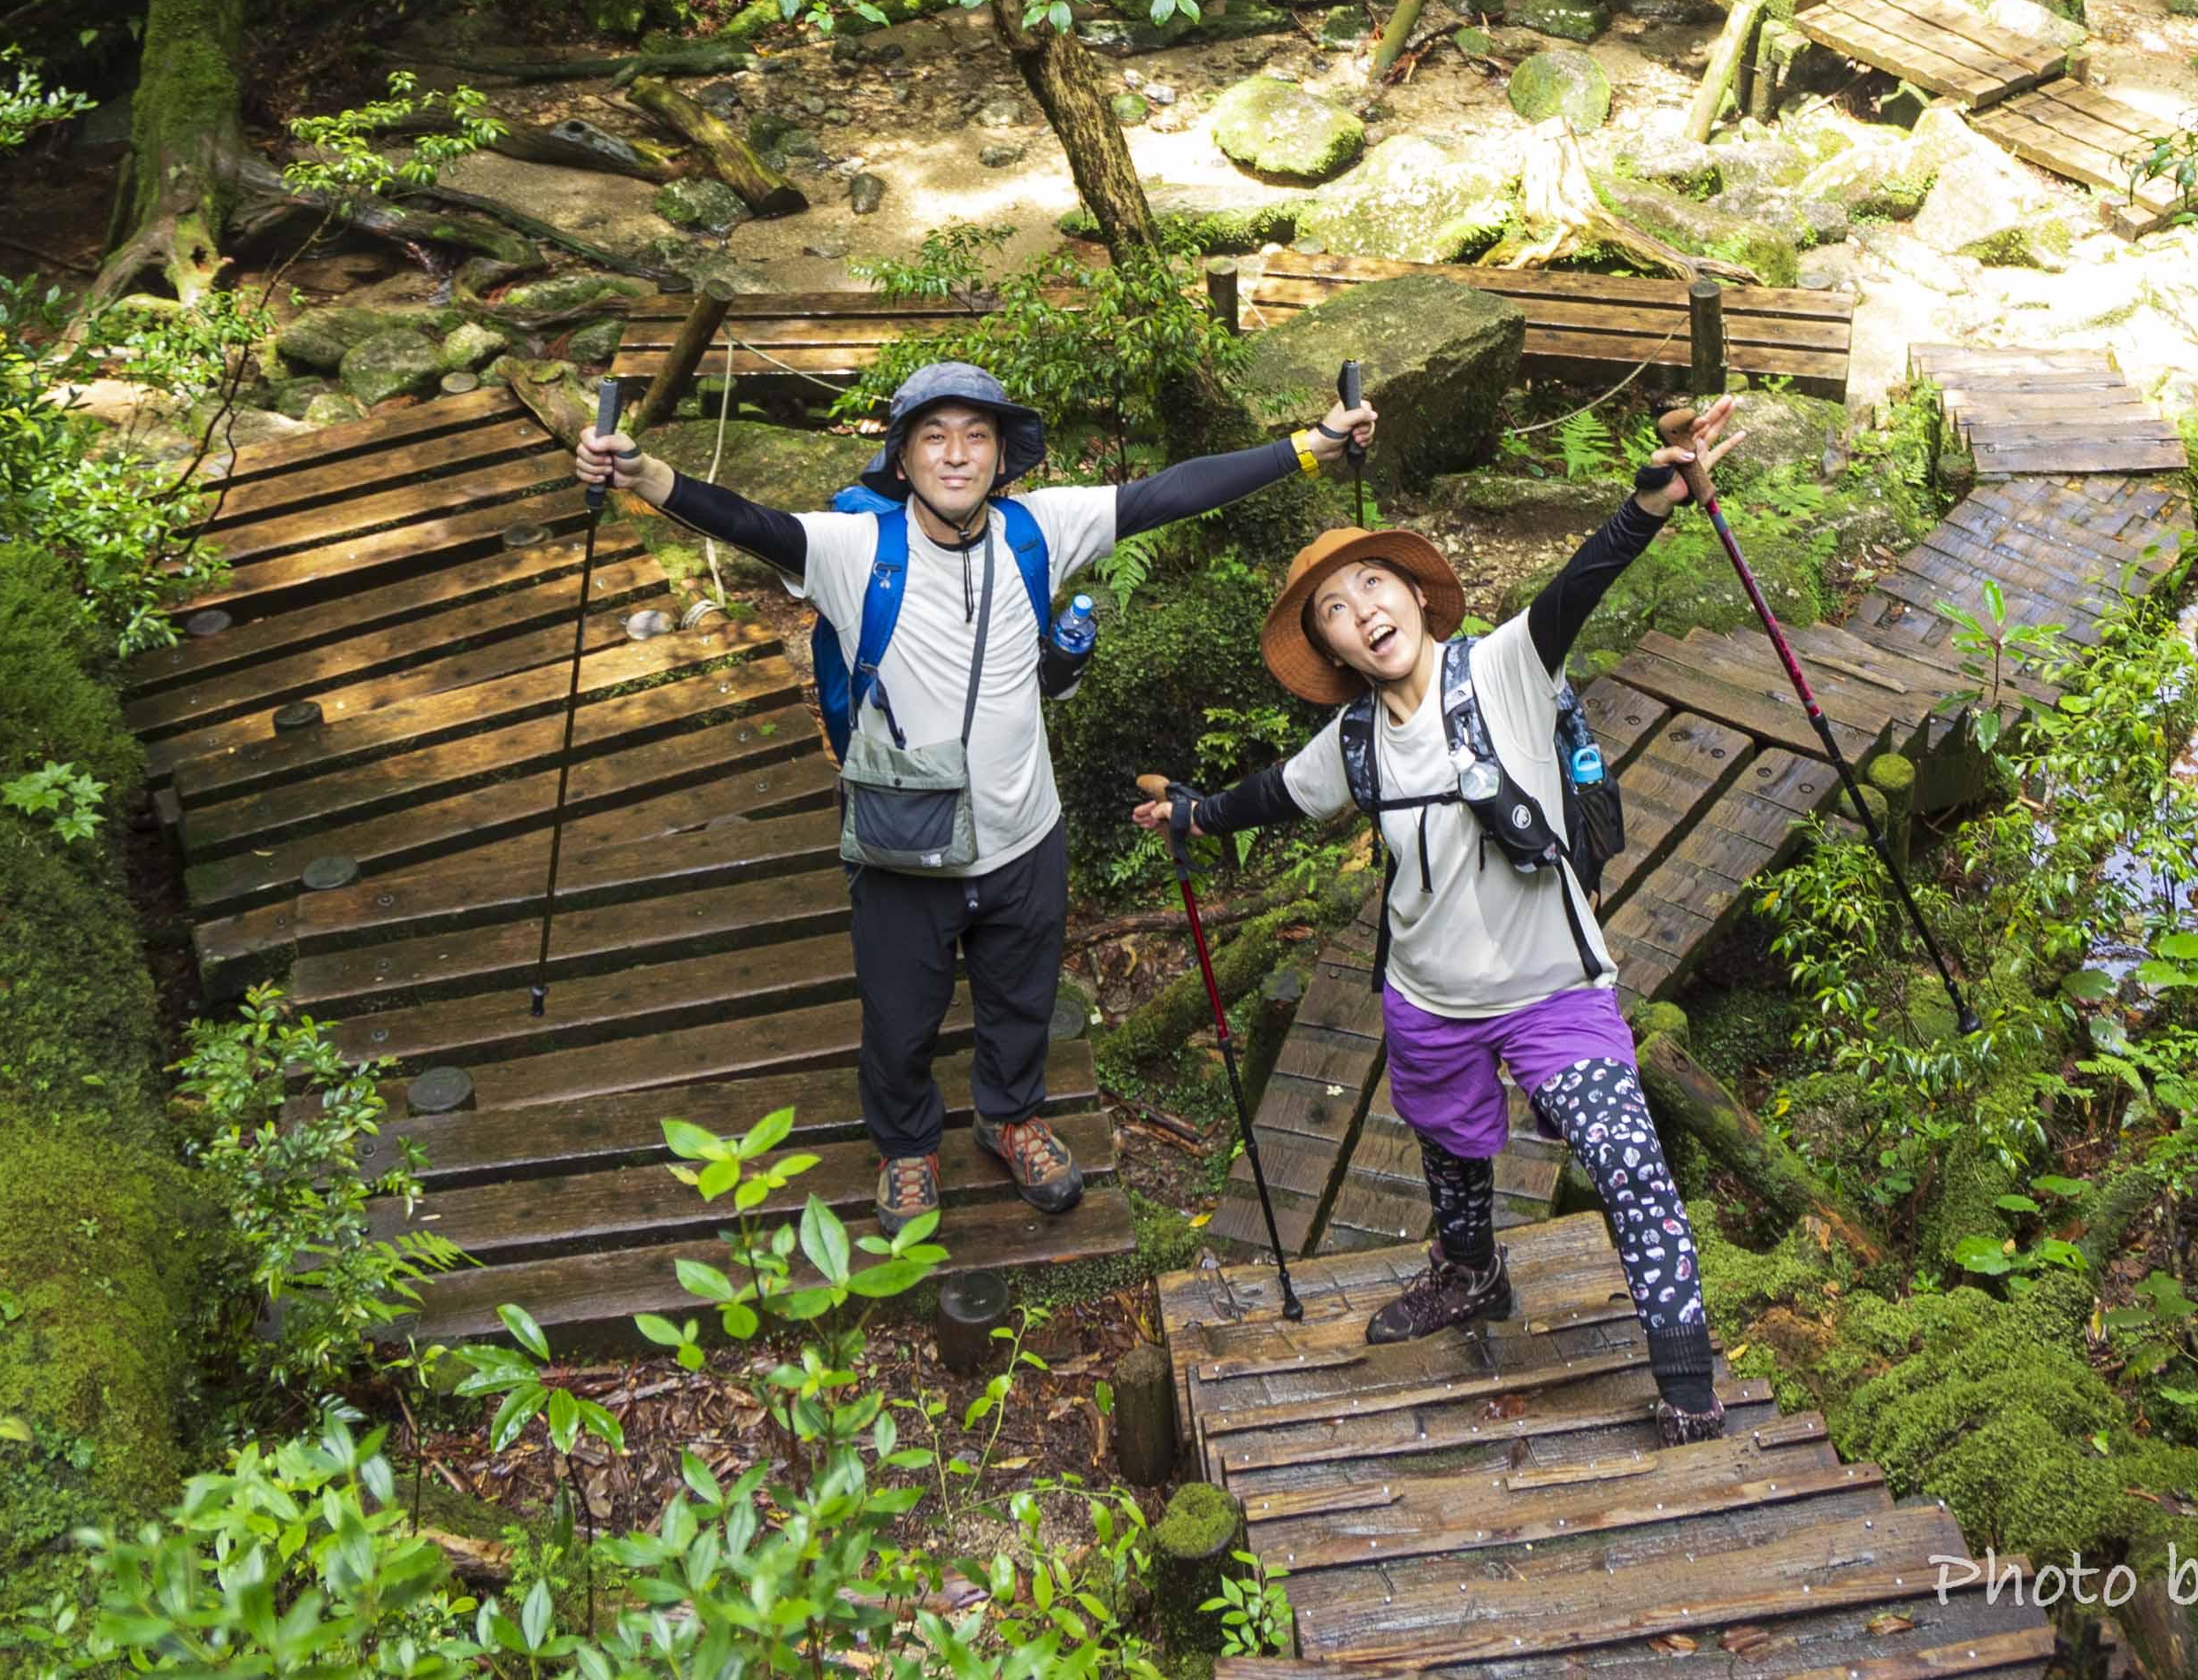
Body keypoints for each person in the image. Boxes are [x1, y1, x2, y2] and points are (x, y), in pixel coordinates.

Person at [580, 361, 1375, 1233]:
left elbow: (1172, 493)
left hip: (1026, 836)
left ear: (1002, 459)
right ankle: (908, 1148)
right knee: (899, 1018)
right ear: (903, 457)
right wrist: (644, 474)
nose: (956, 455)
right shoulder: (858, 551)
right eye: (934, 436)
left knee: (1020, 1001)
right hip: (900, 845)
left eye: (976, 437)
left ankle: (1011, 1117)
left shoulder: (1039, 529)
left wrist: (1313, 445)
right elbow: (749, 522)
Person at [1130, 407, 1726, 1444]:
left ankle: (1685, 1380)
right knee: (1451, 1151)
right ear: (1328, 648)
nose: (1359, 610)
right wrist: (1189, 813)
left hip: (1552, 990)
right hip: (1429, 1001)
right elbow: (1271, 794)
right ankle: (1470, 1273)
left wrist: (1645, 505)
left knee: (1626, 1160)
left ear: (1416, 597)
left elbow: (1578, 588)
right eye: (1331, 608)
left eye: (1374, 586)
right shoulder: (1353, 742)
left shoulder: (1501, 668)